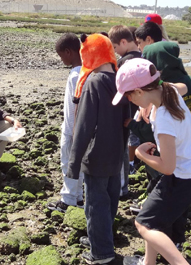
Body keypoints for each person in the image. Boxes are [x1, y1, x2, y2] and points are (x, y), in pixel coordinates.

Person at [112, 58, 191, 265]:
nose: (129, 101)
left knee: (144, 225)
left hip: (183, 178)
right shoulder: (168, 92)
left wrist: (141, 154)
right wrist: (147, 107)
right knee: (151, 217)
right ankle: (149, 262)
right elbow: (182, 86)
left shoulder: (164, 118)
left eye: (129, 96)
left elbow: (167, 166)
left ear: (139, 92)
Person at [67, 33, 130, 264]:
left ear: (90, 54)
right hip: (116, 153)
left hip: (96, 156)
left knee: (95, 205)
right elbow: (127, 120)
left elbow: (84, 126)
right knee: (110, 201)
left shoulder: (93, 82)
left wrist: (73, 164)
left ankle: (101, 254)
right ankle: (101, 239)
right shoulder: (120, 81)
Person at [47, 32, 84, 213]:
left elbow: (76, 105)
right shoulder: (85, 71)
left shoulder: (76, 75)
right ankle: (77, 198)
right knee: (78, 165)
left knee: (68, 163)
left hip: (72, 129)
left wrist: (74, 130)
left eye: (61, 55)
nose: (61, 59)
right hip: (78, 128)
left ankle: (68, 199)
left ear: (69, 52)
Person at [108, 25, 142, 197]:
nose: (115, 52)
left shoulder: (124, 62)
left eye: (115, 47)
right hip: (142, 111)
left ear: (123, 42)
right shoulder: (145, 58)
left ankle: (122, 187)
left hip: (127, 112)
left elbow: (120, 91)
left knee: (122, 148)